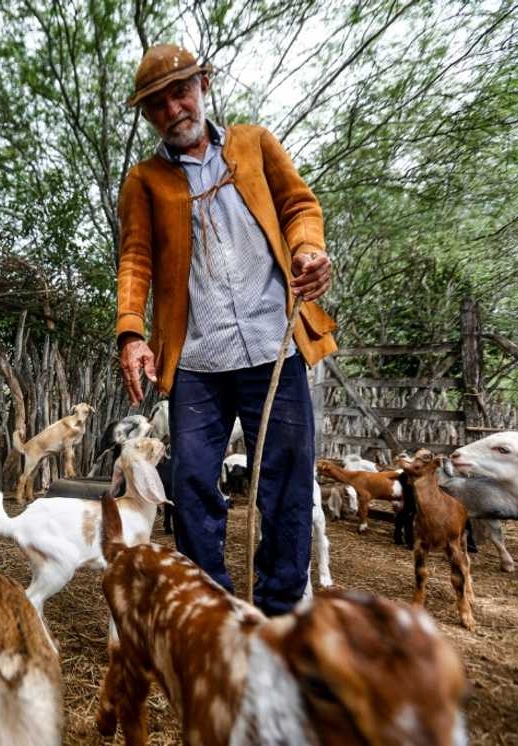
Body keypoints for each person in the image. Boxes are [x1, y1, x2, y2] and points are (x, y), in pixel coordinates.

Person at [115, 44, 337, 616]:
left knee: (286, 485)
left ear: (204, 84)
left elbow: (299, 207)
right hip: (196, 361)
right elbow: (135, 258)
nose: (172, 109)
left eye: (180, 93)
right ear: (147, 116)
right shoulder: (145, 181)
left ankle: (281, 613)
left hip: (273, 346)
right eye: (157, 104)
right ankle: (211, 613)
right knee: (188, 484)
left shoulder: (253, 144)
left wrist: (309, 250)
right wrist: (132, 333)